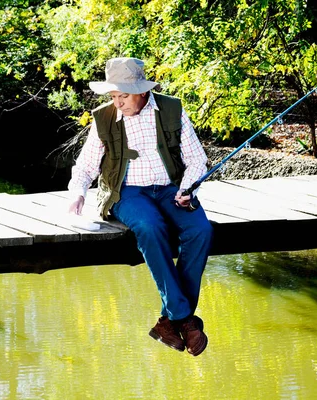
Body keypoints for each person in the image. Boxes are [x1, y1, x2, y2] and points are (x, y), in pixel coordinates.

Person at [67, 57, 213, 357]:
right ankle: (183, 319)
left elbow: (197, 159)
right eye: (114, 96)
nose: (118, 102)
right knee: (149, 226)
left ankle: (168, 321)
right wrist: (77, 194)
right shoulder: (104, 118)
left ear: (142, 92)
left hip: (171, 190)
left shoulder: (171, 110)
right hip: (126, 192)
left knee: (200, 229)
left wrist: (186, 189)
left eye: (124, 95)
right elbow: (85, 166)